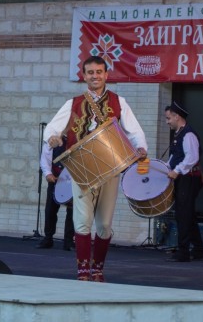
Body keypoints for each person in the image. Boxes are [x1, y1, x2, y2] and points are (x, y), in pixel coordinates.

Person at [44, 56, 148, 282]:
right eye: (90, 72)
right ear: (84, 76)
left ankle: (98, 269)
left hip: (110, 168)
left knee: (105, 224)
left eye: (99, 72)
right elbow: (52, 128)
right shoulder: (72, 103)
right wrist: (52, 138)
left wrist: (140, 147)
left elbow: (135, 131)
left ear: (106, 74)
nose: (95, 76)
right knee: (82, 221)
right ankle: (83, 271)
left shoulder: (119, 101)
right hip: (81, 169)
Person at [164, 101, 203, 262]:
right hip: (184, 177)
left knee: (183, 214)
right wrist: (167, 167)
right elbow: (176, 156)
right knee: (186, 214)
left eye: (169, 118)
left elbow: (192, 157)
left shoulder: (188, 134)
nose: (167, 121)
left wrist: (177, 170)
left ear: (177, 116)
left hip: (189, 178)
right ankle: (199, 249)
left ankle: (183, 251)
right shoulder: (179, 134)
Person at [36, 138, 75, 251]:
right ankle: (48, 238)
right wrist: (48, 174)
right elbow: (45, 157)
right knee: (50, 210)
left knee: (72, 212)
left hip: (72, 181)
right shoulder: (52, 138)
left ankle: (68, 242)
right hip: (56, 180)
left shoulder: (78, 138)